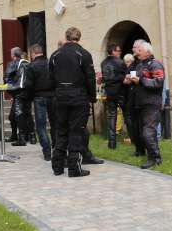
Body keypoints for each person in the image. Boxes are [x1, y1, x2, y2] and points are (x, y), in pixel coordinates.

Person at [49, 27, 96, 177]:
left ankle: (57, 166)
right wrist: (92, 96)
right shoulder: (84, 54)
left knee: (61, 131)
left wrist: (56, 93)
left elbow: (50, 78)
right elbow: (90, 78)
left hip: (60, 97)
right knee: (76, 131)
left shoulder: (55, 55)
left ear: (67, 37)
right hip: (78, 97)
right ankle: (74, 168)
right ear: (79, 37)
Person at [131, 41, 165, 169]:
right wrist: (132, 80)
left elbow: (158, 82)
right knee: (143, 132)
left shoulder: (155, 64)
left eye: (139, 50)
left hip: (152, 103)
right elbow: (140, 82)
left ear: (147, 52)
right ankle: (155, 157)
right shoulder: (140, 65)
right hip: (141, 103)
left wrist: (140, 80)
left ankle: (155, 158)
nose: (137, 52)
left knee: (147, 132)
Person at [26, 44, 54, 161]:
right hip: (53, 96)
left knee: (41, 126)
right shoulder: (51, 63)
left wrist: (29, 98)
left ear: (33, 53)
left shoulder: (31, 66)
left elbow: (28, 85)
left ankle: (47, 152)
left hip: (39, 97)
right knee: (55, 123)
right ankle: (57, 148)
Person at [7, 47, 34, 146]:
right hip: (29, 92)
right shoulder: (29, 63)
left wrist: (10, 89)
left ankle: (22, 138)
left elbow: (7, 77)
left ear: (13, 55)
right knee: (27, 114)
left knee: (19, 114)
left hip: (19, 92)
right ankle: (32, 136)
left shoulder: (13, 63)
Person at [124, 40, 147, 157]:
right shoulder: (134, 63)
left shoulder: (144, 62)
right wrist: (129, 78)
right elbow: (127, 79)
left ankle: (147, 150)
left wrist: (131, 78)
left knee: (142, 126)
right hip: (132, 98)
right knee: (134, 125)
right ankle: (138, 149)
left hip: (142, 98)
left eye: (135, 47)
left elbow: (136, 79)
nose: (132, 49)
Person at [101, 43, 126, 149]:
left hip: (109, 92)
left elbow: (105, 78)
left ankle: (112, 143)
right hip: (120, 92)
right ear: (113, 51)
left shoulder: (103, 63)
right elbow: (125, 75)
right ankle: (134, 140)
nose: (120, 52)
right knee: (128, 115)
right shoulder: (120, 62)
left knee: (112, 116)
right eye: (118, 51)